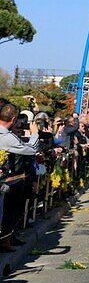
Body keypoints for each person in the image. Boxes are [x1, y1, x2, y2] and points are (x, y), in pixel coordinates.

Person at [0, 102, 42, 252]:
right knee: (9, 213)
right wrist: (35, 133)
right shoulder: (7, 137)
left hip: (10, 179)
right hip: (9, 181)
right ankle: (5, 241)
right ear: (13, 119)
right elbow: (32, 149)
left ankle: (7, 239)